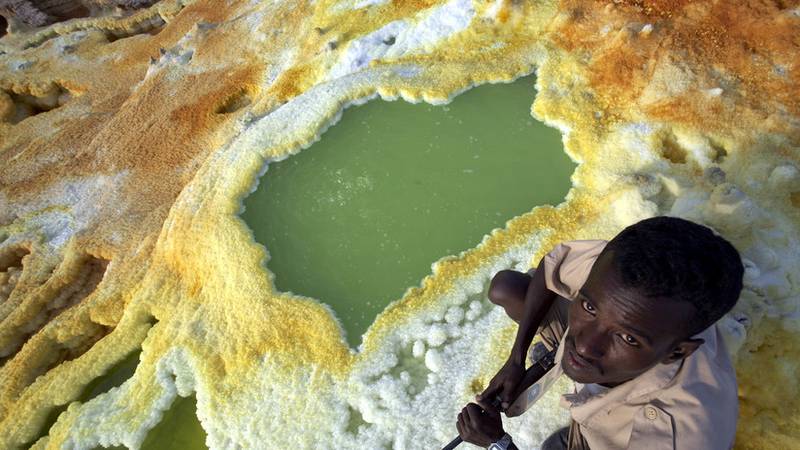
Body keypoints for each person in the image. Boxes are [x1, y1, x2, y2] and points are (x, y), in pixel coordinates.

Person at [455, 216, 744, 450]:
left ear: (677, 352)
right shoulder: (622, 272)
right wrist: (516, 361)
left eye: (628, 338)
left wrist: (498, 443)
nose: (584, 346)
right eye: (589, 306)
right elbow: (555, 263)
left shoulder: (680, 436)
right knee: (508, 288)